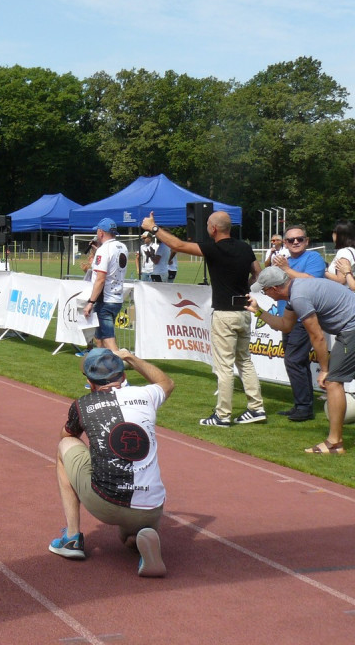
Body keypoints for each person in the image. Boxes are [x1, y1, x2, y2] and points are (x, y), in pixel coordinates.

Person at [49, 348, 174, 578]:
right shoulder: (146, 395)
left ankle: (72, 538)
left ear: (90, 382)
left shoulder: (83, 404)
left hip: (106, 503)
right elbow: (166, 382)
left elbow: (67, 435)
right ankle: (139, 537)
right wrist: (131, 358)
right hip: (152, 508)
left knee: (64, 449)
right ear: (123, 377)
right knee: (126, 538)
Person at [141, 210, 264, 426]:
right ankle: (256, 408)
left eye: (208, 224)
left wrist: (154, 228)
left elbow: (178, 246)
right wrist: (245, 286)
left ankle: (223, 415)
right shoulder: (245, 247)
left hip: (224, 314)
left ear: (214, 229)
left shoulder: (214, 248)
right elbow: (257, 273)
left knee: (224, 367)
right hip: (244, 312)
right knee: (244, 361)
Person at [249, 266, 355, 454]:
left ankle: (335, 443)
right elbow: (285, 325)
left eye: (264, 290)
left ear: (274, 288)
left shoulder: (299, 297)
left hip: (351, 330)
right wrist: (258, 311)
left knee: (332, 382)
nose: (265, 293)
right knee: (333, 381)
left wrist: (324, 369)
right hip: (348, 329)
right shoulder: (295, 292)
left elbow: (317, 337)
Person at [270, 225, 327, 422]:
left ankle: (304, 407)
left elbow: (311, 282)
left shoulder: (313, 259)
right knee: (297, 362)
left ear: (307, 241)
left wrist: (286, 269)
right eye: (291, 240)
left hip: (305, 317)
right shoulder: (283, 260)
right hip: (288, 316)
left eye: (299, 239)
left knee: (294, 360)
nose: (295, 242)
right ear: (284, 243)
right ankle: (302, 405)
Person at [82, 218, 129, 351]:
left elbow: (101, 279)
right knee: (99, 337)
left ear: (101, 232)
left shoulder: (104, 250)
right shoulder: (122, 247)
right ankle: (102, 367)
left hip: (106, 300)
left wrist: (91, 302)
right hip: (117, 297)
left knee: (109, 340)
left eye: (97, 232)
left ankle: (119, 365)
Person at [325, 219, 355, 291]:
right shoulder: (352, 250)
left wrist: (324, 272)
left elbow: (341, 280)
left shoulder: (343, 252)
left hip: (345, 294)